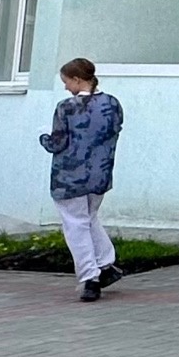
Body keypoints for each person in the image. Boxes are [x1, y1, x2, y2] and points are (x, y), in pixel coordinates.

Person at [41, 58, 124, 302]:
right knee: (89, 218)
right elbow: (114, 130)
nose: (66, 87)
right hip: (100, 173)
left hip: (69, 176)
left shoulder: (66, 107)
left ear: (77, 80)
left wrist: (42, 136)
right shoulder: (112, 103)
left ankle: (90, 278)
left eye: (66, 82)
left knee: (75, 224)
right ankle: (106, 265)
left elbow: (57, 143)